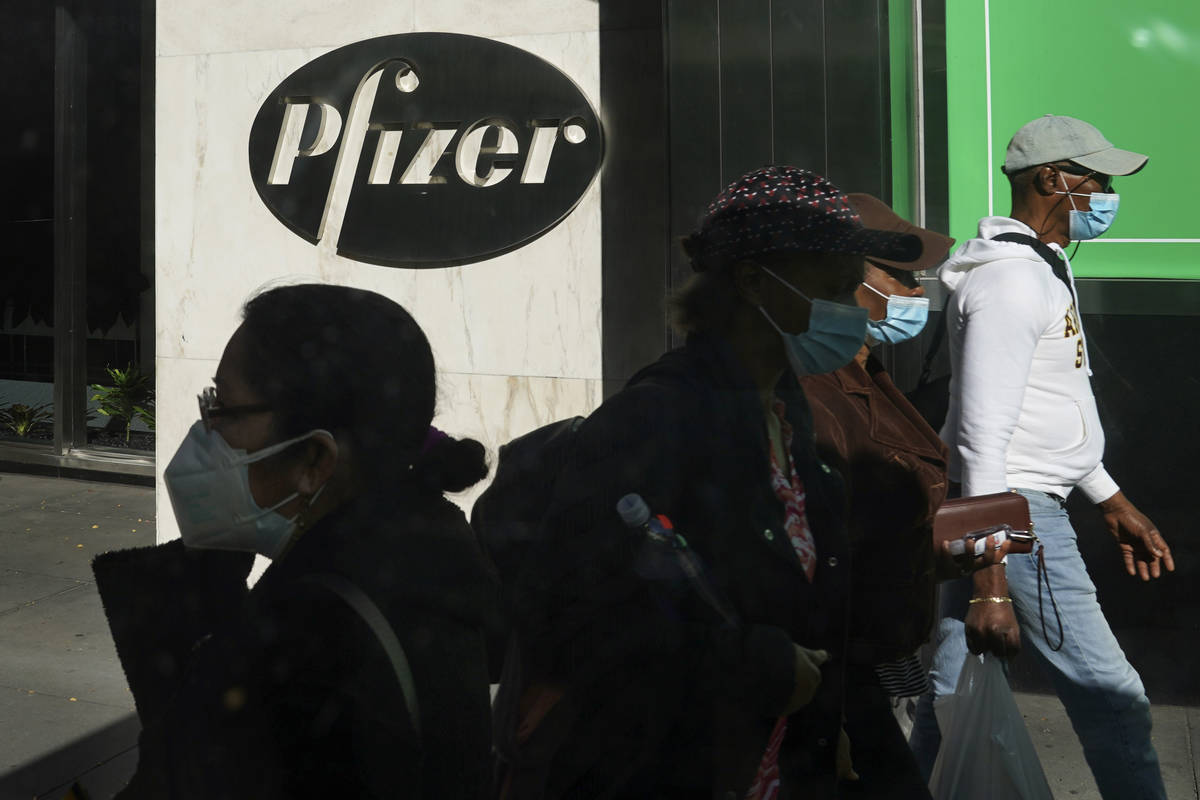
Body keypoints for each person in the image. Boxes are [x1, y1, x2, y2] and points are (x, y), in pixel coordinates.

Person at [498, 166, 923, 799]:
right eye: (833, 285)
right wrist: (750, 662)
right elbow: (575, 616)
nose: (851, 305)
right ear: (754, 282)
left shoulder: (785, 411)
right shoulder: (656, 420)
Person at [93, 284, 498, 799]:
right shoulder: (426, 566)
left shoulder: (302, 647)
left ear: (314, 461)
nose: (206, 432)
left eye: (225, 410)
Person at [909, 115, 1175, 799]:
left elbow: (1047, 410)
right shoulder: (1013, 284)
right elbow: (982, 438)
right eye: (1099, 179)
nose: (1110, 193)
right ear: (1052, 180)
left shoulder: (1039, 271)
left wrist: (1110, 499)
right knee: (1113, 699)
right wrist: (991, 584)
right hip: (1017, 517)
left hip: (1005, 505)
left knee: (950, 696)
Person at [799, 195, 1010, 798]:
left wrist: (952, 548)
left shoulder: (866, 370)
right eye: (899, 276)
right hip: (834, 680)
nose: (917, 293)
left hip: (873, 666)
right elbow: (825, 548)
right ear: (840, 280)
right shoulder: (813, 391)